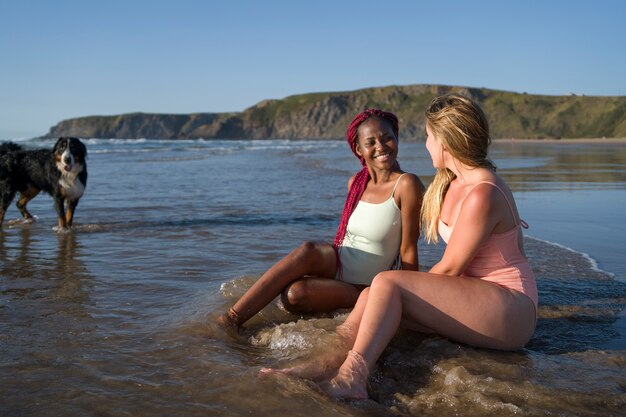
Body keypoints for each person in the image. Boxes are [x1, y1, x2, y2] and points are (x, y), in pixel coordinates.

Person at [263, 94, 538, 400]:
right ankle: (324, 363)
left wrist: (401, 288)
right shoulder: (452, 182)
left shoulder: (482, 193)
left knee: (387, 284)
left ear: (446, 141)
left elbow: (449, 269)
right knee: (373, 294)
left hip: (511, 309)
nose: (425, 144)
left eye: (428, 136)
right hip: (479, 295)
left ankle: (352, 377)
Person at [218, 109, 424, 329]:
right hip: (341, 263)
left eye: (387, 138)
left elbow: (408, 249)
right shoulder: (356, 183)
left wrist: (406, 302)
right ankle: (232, 318)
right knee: (308, 249)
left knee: (294, 295)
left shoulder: (406, 184)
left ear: (396, 138)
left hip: (365, 285)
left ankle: (246, 314)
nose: (381, 147)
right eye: (370, 142)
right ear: (358, 149)